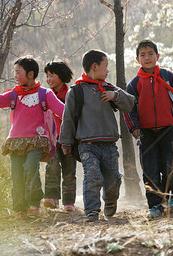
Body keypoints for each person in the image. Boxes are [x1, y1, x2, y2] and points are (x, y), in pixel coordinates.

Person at [0, 57, 64, 217]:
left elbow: (62, 110)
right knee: (17, 174)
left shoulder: (45, 94)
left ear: (30, 74)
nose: (15, 76)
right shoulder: (14, 95)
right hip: (16, 142)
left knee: (31, 167)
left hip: (37, 141)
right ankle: (20, 208)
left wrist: (79, 117)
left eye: (18, 72)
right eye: (14, 72)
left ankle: (34, 202)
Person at [124, 40, 173, 219]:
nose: (147, 58)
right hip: (146, 133)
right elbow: (129, 109)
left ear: (158, 56)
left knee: (169, 165)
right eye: (143, 55)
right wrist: (134, 128)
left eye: (151, 54)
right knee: (150, 169)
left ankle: (170, 199)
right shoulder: (135, 84)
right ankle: (155, 205)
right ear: (137, 59)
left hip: (169, 130)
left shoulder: (167, 76)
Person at [59, 50, 135, 222]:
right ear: (94, 66)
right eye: (105, 66)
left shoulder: (109, 88)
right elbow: (68, 118)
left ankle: (110, 201)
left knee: (112, 178)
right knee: (92, 176)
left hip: (109, 144)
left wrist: (114, 96)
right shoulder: (76, 91)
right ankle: (92, 212)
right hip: (86, 144)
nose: (107, 70)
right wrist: (65, 142)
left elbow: (130, 103)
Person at [42, 59, 77, 212]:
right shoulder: (45, 95)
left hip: (69, 138)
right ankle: (51, 197)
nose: (49, 79)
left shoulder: (72, 94)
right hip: (52, 140)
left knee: (69, 171)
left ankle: (69, 202)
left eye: (52, 75)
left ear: (62, 76)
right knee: (52, 166)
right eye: (47, 76)